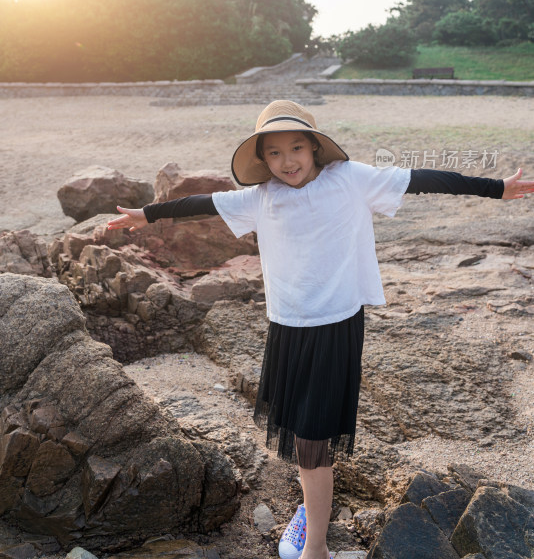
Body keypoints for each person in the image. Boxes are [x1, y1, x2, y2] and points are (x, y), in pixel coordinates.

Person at [107, 100, 533, 559]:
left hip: (336, 324)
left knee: (312, 444)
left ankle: (316, 549)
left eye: (296, 147)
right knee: (297, 436)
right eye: (274, 153)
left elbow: (423, 178)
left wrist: (495, 189)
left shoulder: (350, 179)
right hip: (288, 327)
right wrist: (146, 215)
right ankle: (313, 507)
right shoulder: (262, 197)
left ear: (314, 147)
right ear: (263, 160)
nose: (287, 161)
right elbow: (202, 204)